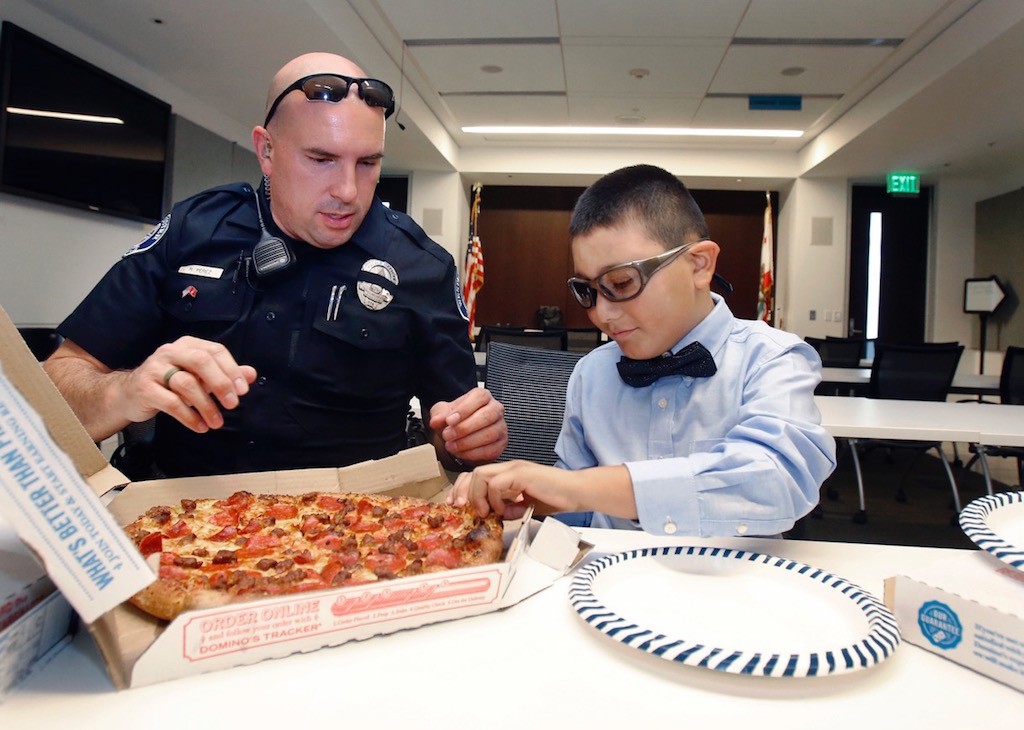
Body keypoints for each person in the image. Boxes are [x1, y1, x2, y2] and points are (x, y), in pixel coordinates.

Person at [43, 52, 507, 477]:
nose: (348, 190)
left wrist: (469, 440)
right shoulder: (194, 229)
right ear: (266, 150)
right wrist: (123, 393)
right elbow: (55, 386)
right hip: (183, 518)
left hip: (357, 533)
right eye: (321, 159)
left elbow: (451, 439)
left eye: (367, 162)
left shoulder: (421, 265)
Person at [449, 164, 835, 536]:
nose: (601, 314)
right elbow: (576, 516)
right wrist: (532, 503)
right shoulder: (591, 372)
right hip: (601, 582)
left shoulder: (771, 358)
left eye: (621, 282)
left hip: (737, 588)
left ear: (699, 265)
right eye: (588, 290)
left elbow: (779, 479)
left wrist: (575, 487)